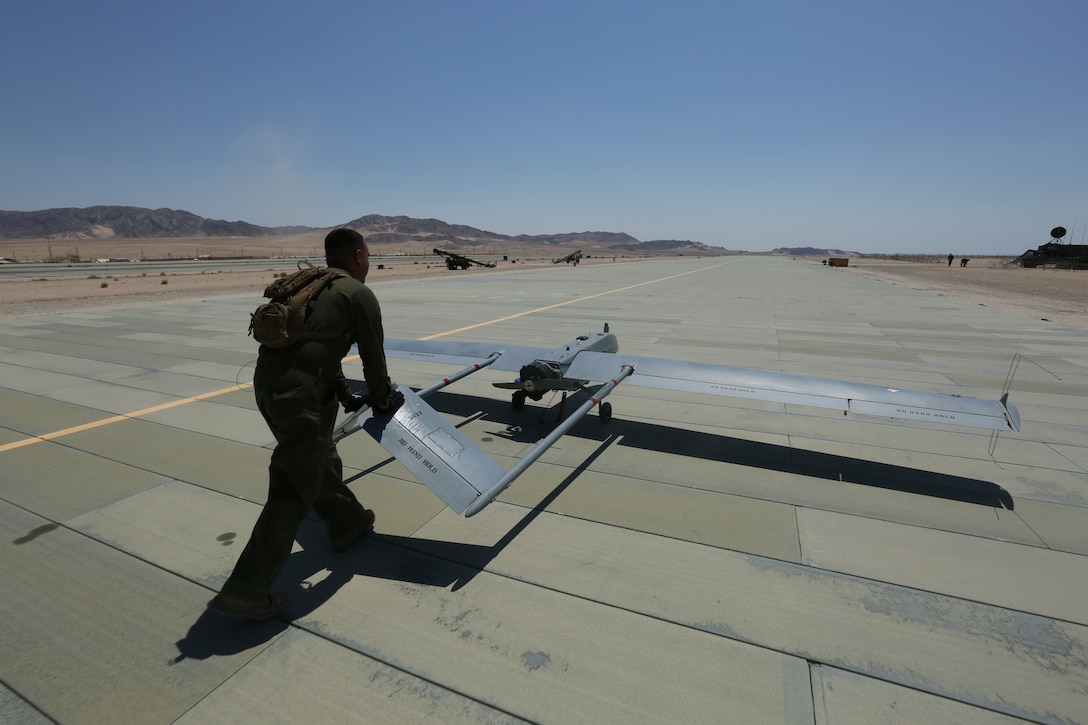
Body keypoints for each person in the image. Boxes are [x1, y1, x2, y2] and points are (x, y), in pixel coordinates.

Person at [210, 228, 403, 620]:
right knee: (293, 487)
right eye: (366, 254)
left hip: (270, 388)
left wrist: (342, 393)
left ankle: (346, 522)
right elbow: (373, 358)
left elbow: (314, 348)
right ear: (359, 256)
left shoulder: (314, 284)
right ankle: (245, 590)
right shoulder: (358, 294)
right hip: (299, 396)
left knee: (319, 456)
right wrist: (381, 399)